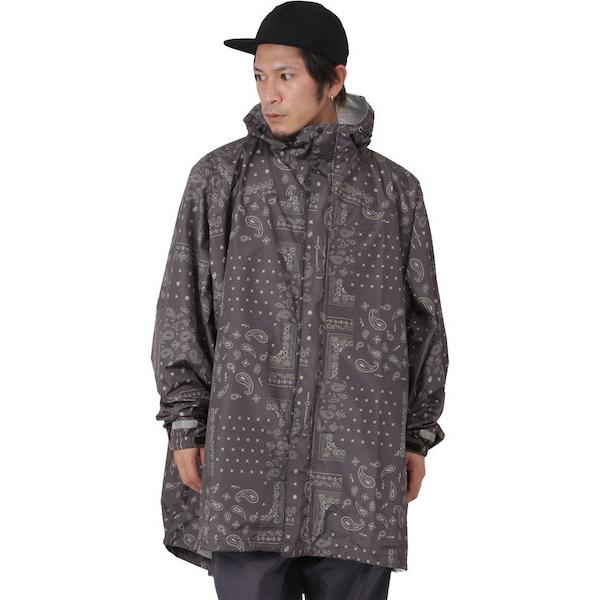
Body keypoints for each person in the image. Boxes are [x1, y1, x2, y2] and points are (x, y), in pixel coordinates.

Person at [150, 2, 450, 599]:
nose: (270, 93)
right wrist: (185, 421)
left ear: (334, 79)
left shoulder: (393, 192)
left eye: (286, 76)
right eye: (260, 76)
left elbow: (423, 321)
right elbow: (184, 306)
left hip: (359, 464)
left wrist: (416, 434)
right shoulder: (220, 178)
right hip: (244, 456)